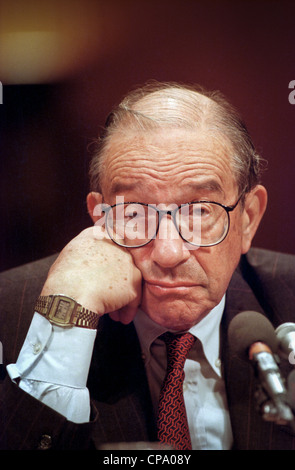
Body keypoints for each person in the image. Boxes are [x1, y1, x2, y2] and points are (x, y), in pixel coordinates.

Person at [0, 81, 295, 451]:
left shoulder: (287, 297)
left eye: (200, 211)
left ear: (248, 218)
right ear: (99, 218)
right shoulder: (9, 319)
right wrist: (66, 323)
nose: (168, 252)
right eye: (134, 213)